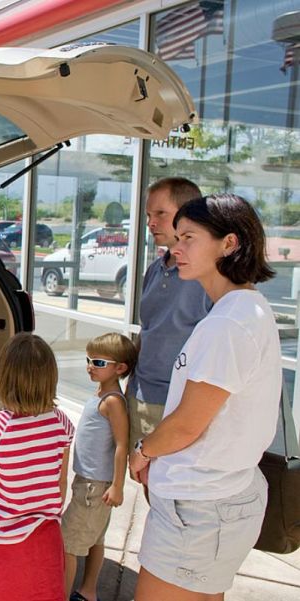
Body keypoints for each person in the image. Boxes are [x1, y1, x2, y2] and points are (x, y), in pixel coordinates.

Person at [129, 194, 280, 600]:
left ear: (229, 243)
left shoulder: (228, 323)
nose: (175, 248)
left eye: (189, 237)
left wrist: (143, 450)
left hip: (199, 511)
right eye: (176, 237)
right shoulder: (246, 309)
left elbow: (186, 426)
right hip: (212, 504)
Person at [0, 333, 74, 601]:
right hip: (47, 539)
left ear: (4, 377)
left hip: (4, 541)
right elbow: (61, 481)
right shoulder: (62, 424)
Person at [127, 177, 210, 485]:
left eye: (160, 214)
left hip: (177, 407)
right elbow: (148, 330)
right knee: (147, 485)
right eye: (148, 215)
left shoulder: (207, 277)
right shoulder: (154, 269)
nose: (151, 222)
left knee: (171, 492)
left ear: (188, 213)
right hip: (140, 397)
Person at [63, 333, 136, 601]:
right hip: (90, 483)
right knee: (94, 540)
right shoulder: (101, 394)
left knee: (67, 544)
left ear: (120, 368)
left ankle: (60, 595)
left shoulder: (113, 401)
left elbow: (121, 445)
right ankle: (88, 592)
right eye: (88, 359)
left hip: (95, 488)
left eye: (97, 362)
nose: (89, 366)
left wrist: (118, 486)